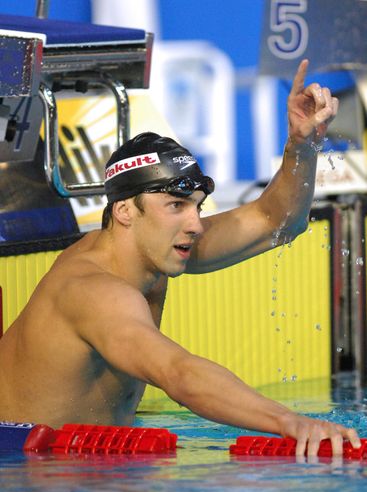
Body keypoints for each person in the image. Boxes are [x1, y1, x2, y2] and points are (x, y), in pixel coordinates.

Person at [0, 60, 361, 457]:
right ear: (124, 211)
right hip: (27, 471)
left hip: (89, 465)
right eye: (176, 205)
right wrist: (288, 421)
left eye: (197, 206)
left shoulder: (153, 247)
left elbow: (276, 222)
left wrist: (301, 144)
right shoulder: (94, 291)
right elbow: (178, 374)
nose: (196, 224)